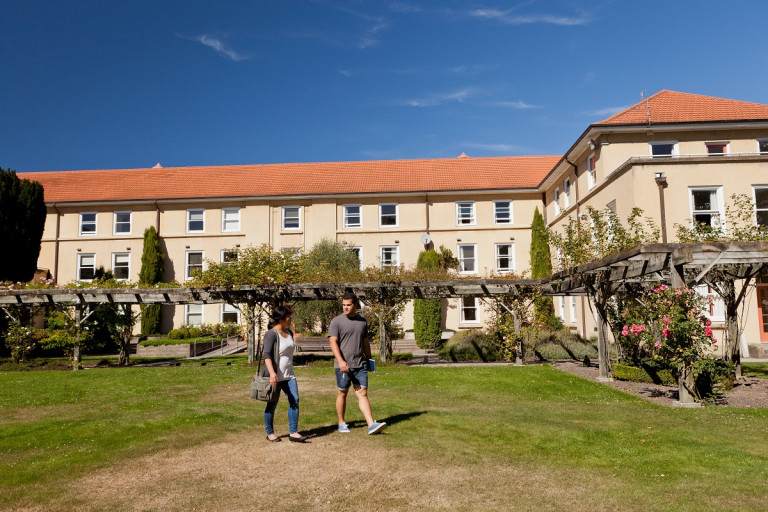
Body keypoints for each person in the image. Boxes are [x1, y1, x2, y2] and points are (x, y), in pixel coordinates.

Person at [328, 293, 386, 435]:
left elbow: (365, 341)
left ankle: (371, 424)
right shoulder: (337, 321)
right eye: (343, 305)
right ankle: (341, 423)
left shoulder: (362, 321)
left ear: (355, 305)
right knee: (342, 392)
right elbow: (332, 342)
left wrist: (369, 359)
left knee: (363, 393)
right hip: (343, 365)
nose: (345, 307)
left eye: (348, 305)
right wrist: (341, 361)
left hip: (360, 364)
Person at [262, 305, 307, 443]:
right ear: (280, 318)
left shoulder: (289, 332)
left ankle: (293, 432)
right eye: (288, 317)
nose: (290, 319)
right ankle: (270, 433)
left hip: (289, 375)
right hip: (275, 376)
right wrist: (271, 373)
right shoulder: (271, 334)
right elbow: (267, 355)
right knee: (272, 404)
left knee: (295, 400)